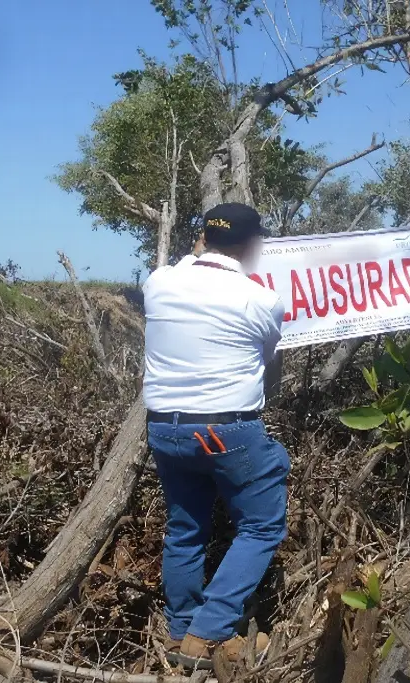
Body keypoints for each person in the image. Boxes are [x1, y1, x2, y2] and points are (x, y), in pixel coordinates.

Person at [142, 202, 289, 669]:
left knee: (185, 529)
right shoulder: (261, 300)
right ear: (251, 245)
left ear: (202, 238)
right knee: (263, 524)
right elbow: (267, 359)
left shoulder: (158, 283)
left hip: (165, 429)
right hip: (226, 431)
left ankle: (180, 630)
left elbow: (185, 265)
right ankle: (209, 632)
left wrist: (199, 248)